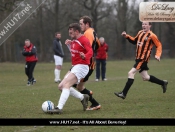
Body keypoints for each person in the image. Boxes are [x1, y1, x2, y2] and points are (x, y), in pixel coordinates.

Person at [114, 21, 168, 99]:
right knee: (145, 77)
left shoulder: (152, 36)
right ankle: (163, 83)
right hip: (138, 59)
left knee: (131, 73)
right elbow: (134, 41)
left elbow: (159, 45)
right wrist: (127, 36)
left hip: (143, 59)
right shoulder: (140, 32)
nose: (144, 25)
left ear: (150, 26)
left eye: (146, 24)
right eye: (143, 24)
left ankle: (123, 93)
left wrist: (158, 55)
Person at [48, 23, 93, 114]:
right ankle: (82, 97)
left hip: (82, 67)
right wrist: (69, 45)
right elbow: (75, 53)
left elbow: (90, 52)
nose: (69, 34)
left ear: (77, 31)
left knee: (66, 85)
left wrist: (85, 56)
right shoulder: (73, 41)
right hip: (75, 67)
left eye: (71, 32)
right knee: (61, 86)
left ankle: (59, 108)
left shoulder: (84, 40)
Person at [71, 15, 101, 110]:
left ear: (87, 24)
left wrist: (86, 57)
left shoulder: (87, 33)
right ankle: (90, 96)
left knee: (74, 84)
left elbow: (88, 49)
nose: (80, 26)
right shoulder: (93, 32)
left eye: (81, 24)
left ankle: (93, 101)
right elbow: (98, 45)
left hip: (86, 64)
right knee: (78, 85)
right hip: (89, 63)